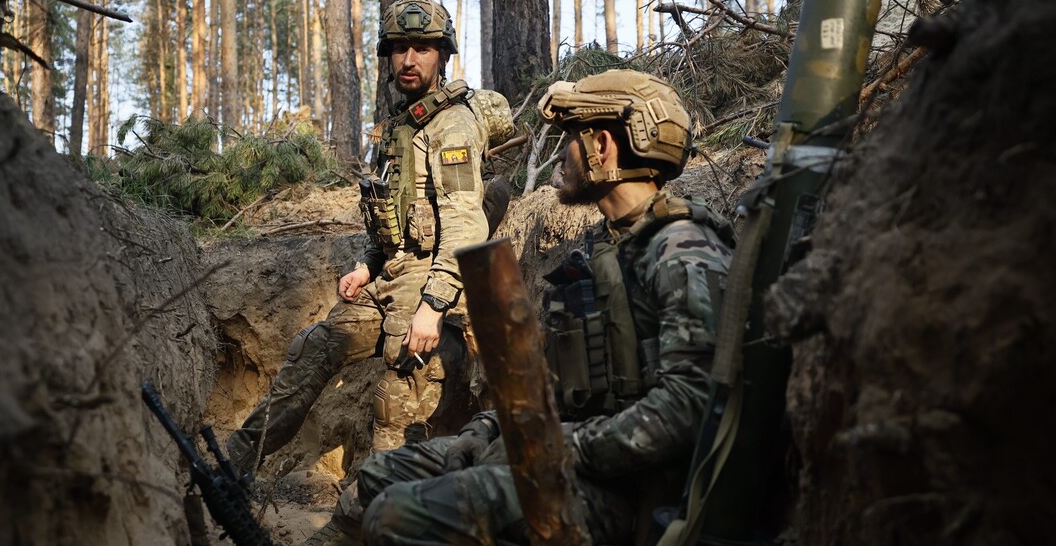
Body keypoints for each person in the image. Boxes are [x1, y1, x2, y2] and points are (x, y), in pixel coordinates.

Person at [308, 69, 736, 544]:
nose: (562, 153)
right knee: (383, 474)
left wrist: (555, 448)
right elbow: (551, 386)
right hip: (573, 459)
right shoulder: (598, 252)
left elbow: (689, 408)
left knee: (395, 514)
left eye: (572, 136)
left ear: (603, 147)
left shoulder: (683, 250)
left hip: (632, 494)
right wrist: (486, 430)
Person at [227, 0, 490, 476]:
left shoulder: (452, 125)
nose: (409, 60)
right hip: (391, 276)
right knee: (313, 347)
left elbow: (464, 225)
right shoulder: (400, 128)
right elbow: (395, 217)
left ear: (443, 56)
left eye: (422, 49)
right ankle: (230, 465)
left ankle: (370, 508)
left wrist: (433, 309)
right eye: (399, 49)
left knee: (400, 386)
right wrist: (368, 265)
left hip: (438, 283)